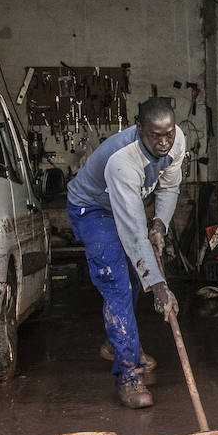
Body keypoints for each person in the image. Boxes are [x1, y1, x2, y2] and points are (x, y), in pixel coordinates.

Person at [66, 98, 184, 408]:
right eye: (155, 135)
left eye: (168, 134)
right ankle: (130, 376)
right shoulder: (123, 160)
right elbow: (132, 231)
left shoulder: (177, 141)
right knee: (117, 285)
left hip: (123, 205)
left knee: (133, 281)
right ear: (139, 128)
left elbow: (169, 187)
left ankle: (118, 344)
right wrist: (159, 287)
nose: (163, 142)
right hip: (92, 209)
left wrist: (159, 224)